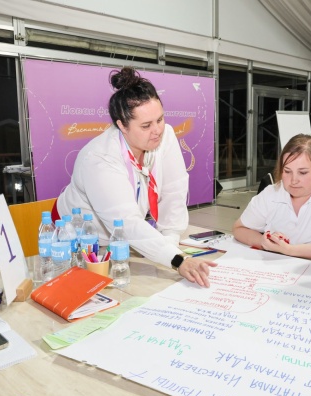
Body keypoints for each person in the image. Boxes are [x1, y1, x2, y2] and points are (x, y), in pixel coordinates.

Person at [55, 67, 216, 287]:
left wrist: (170, 242)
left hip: (126, 240)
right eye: (146, 125)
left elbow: (174, 191)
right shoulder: (99, 158)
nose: (157, 130)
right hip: (84, 245)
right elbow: (126, 222)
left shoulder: (165, 135)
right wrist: (177, 260)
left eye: (160, 119)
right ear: (121, 125)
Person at [233, 134, 311, 260]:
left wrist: (288, 250)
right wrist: (263, 242)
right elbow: (239, 229)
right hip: (281, 267)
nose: (294, 180)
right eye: (287, 171)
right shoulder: (272, 193)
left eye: (303, 172)